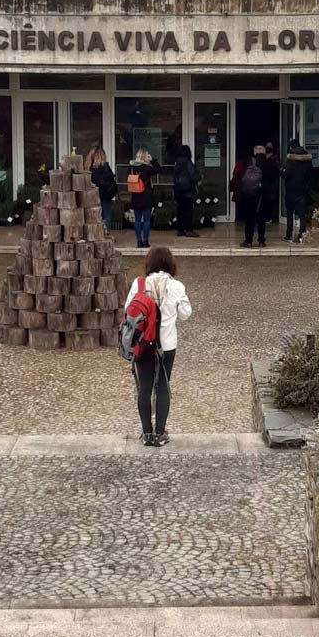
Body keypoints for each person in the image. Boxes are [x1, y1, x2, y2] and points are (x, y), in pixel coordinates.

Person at [129, 245, 192, 446]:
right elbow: (185, 314)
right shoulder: (177, 286)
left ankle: (146, 433)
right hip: (167, 344)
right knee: (163, 386)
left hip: (143, 344)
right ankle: (160, 432)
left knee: (144, 387)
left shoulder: (138, 285)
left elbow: (128, 311)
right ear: (170, 263)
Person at [235, 146, 267, 247]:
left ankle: (248, 241)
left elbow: (240, 175)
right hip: (263, 194)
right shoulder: (269, 163)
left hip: (249, 193)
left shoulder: (248, 162)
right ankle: (261, 241)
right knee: (261, 218)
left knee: (249, 218)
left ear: (254, 152)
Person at [282, 138, 313, 242]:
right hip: (303, 190)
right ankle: (302, 234)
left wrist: (281, 171)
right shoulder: (307, 160)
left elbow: (286, 175)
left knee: (290, 213)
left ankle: (289, 234)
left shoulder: (291, 160)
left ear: (291, 147)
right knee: (302, 214)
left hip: (291, 190)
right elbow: (311, 175)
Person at [127, 150, 155, 248]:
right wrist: (153, 160)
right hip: (146, 196)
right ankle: (146, 241)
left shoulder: (131, 168)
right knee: (147, 220)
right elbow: (159, 170)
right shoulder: (147, 168)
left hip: (135, 196)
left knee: (137, 220)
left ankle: (139, 241)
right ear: (144, 157)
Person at [172, 144, 200, 238]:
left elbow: (174, 177)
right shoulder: (188, 162)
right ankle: (189, 230)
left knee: (180, 210)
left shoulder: (177, 162)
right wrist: (199, 177)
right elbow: (193, 175)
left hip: (178, 190)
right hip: (188, 190)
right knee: (188, 210)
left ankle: (180, 229)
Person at [85, 146, 117, 226]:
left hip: (92, 196)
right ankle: (106, 234)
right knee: (106, 215)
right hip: (105, 196)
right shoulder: (105, 167)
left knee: (93, 216)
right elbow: (111, 182)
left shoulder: (89, 168)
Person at [258, 142, 281, 241]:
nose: (268, 148)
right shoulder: (265, 160)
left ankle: (269, 217)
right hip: (266, 186)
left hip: (270, 186)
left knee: (269, 202)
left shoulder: (273, 160)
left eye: (270, 146)